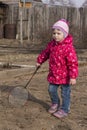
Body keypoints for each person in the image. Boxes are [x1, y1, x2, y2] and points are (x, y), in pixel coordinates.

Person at [36, 19, 78, 118]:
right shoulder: (52, 45)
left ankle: (64, 109)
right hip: (54, 74)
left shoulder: (68, 48)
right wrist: (39, 61)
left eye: (58, 33)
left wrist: (73, 77)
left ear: (65, 34)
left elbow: (73, 63)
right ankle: (55, 103)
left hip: (65, 76)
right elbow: (45, 53)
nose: (55, 35)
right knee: (51, 90)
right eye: (54, 33)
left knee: (65, 94)